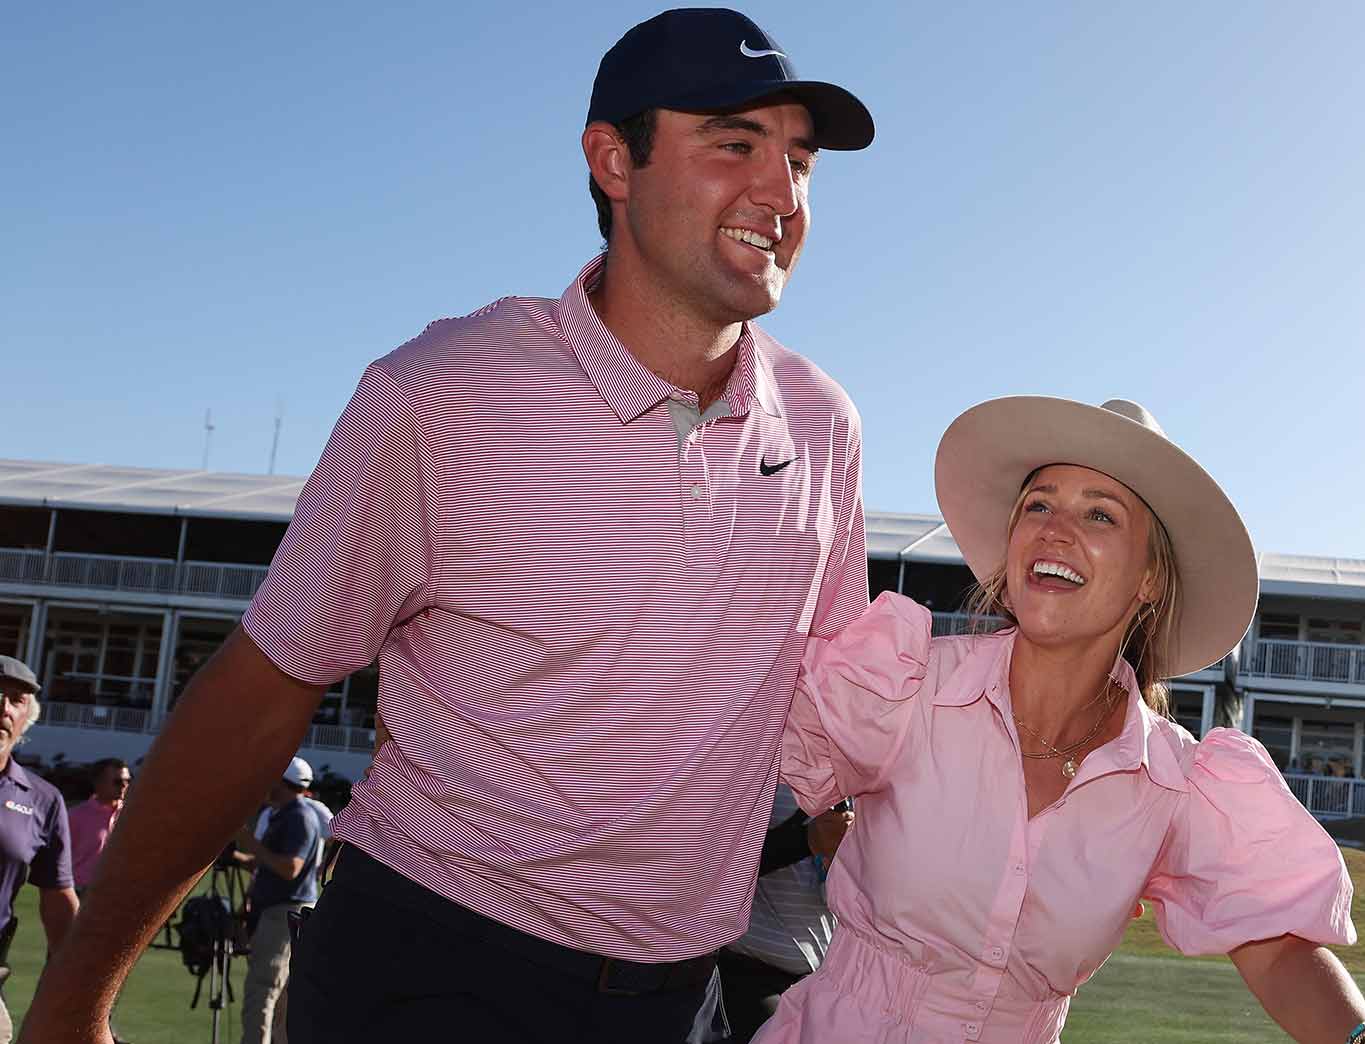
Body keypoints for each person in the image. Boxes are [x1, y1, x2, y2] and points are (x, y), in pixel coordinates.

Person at [24, 10, 875, 1044]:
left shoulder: (825, 424)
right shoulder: (440, 392)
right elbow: (260, 690)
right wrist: (76, 992)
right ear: (613, 159)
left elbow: (847, 714)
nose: (781, 194)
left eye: (800, 160)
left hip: (679, 994)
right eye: (734, 143)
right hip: (431, 966)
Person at [756, 397, 1365, 1044]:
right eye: (1038, 504)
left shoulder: (1176, 786)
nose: (1055, 529)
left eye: (1099, 513)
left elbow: (1280, 950)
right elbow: (730, 763)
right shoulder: (904, 685)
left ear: (1149, 579)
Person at [715, 784, 848, 1042]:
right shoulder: (754, 766)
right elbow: (720, 866)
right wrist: (806, 839)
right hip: (750, 977)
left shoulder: (845, 778)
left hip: (821, 982)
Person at [0, 655, 82, 1043]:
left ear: (26, 717)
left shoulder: (43, 801)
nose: (3, 707)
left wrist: (88, 992)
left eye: (16, 699)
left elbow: (59, 902)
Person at [232, 757, 324, 1044]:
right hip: (280, 911)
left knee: (262, 991)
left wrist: (250, 844)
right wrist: (236, 857)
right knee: (280, 997)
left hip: (281, 912)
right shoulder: (289, 813)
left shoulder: (298, 816)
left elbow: (289, 868)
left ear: (282, 782)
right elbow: (272, 866)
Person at [67, 759, 131, 894]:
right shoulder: (75, 816)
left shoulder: (133, 815)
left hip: (119, 892)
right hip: (81, 892)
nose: (124, 786)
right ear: (98, 783)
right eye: (118, 782)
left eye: (127, 781)